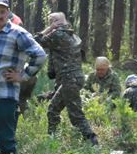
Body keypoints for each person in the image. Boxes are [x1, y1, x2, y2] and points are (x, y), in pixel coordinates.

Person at [0, 0, 46, 154]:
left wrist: (23, 76)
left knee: (6, 140)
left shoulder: (18, 33)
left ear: (8, 12)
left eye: (2, 12)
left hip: (5, 96)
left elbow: (40, 55)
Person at [34, 12, 97, 145]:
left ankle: (92, 140)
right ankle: (52, 139)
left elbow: (35, 41)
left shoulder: (58, 35)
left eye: (51, 22)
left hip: (69, 79)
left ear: (55, 23)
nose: (49, 24)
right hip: (74, 78)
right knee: (53, 109)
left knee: (75, 114)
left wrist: (49, 28)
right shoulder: (72, 35)